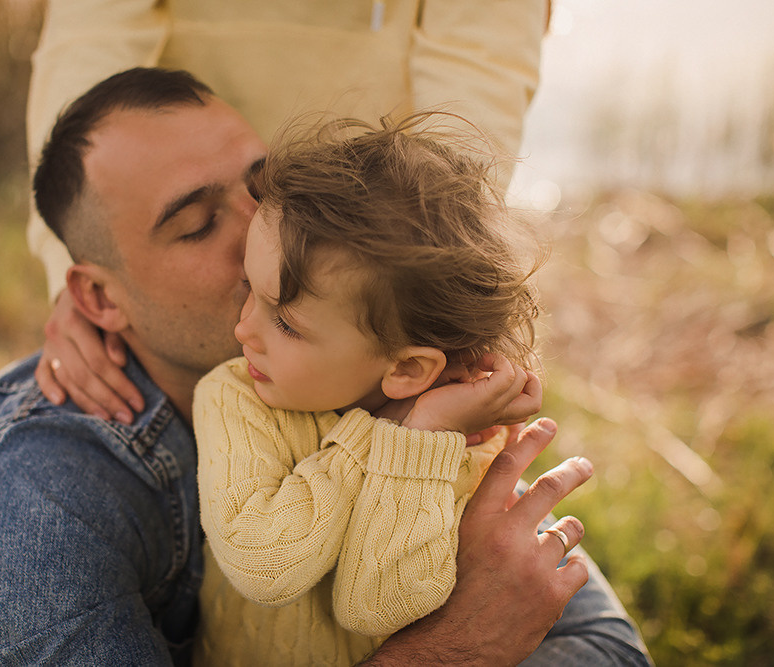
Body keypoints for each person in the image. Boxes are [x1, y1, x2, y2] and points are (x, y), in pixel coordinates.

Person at [0, 68, 651, 665]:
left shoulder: (371, 367)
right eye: (196, 223)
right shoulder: (45, 478)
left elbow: (605, 646)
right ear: (96, 298)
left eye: (263, 183)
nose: (270, 230)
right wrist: (458, 647)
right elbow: (489, 632)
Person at [26, 0, 553, 425]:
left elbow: (481, 64)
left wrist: (426, 273)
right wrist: (87, 257)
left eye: (259, 190)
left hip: (384, 247)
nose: (257, 228)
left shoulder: (412, 367)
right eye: (199, 224)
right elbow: (87, 43)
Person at [192, 113, 560, 665]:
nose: (244, 329)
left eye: (286, 322)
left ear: (408, 370)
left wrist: (420, 438)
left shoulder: (457, 442)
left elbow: (379, 608)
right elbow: (264, 562)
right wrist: (386, 430)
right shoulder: (237, 395)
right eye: (251, 289)